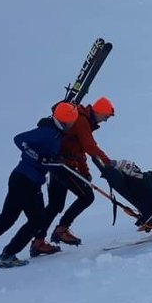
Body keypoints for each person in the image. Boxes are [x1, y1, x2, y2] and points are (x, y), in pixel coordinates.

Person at [0, 103, 79, 272]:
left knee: (9, 218)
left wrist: (58, 160)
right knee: (35, 221)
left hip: (25, 179)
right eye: (71, 122)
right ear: (64, 122)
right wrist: (38, 157)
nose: (72, 125)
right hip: (25, 181)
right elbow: (19, 139)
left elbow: (47, 156)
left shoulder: (55, 134)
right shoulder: (47, 133)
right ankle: (5, 255)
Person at [30, 97, 115, 255]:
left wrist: (85, 172)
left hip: (58, 165)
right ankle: (61, 230)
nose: (105, 120)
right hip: (64, 166)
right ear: (99, 111)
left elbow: (79, 150)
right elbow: (89, 147)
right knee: (87, 196)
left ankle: (38, 241)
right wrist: (108, 163)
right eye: (106, 116)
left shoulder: (83, 120)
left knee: (55, 205)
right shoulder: (82, 121)